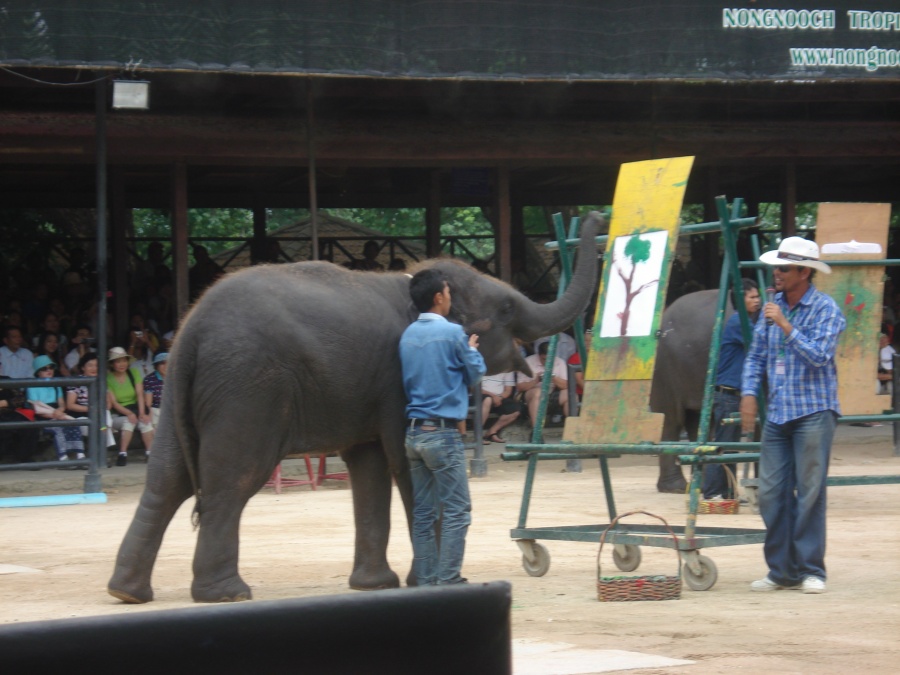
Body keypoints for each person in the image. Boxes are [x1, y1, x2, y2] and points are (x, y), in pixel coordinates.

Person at [740, 237, 846, 595]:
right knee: (770, 493)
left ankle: (811, 569)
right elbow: (755, 357)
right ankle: (781, 571)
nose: (777, 274)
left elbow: (819, 356)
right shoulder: (772, 307)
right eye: (776, 267)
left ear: (805, 272)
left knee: (810, 492)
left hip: (814, 411)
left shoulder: (826, 309)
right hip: (779, 414)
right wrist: (749, 393)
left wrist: (786, 325)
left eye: (784, 268)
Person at [399, 268, 486, 586]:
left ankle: (426, 579)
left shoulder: (407, 335)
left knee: (424, 513)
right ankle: (449, 579)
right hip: (443, 434)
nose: (450, 299)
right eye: (448, 293)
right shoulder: (453, 334)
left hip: (414, 432)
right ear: (438, 298)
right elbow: (475, 374)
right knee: (457, 509)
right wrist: (472, 350)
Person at [702, 278, 761, 500]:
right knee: (724, 446)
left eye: (758, 296)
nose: (758, 301)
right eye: (752, 297)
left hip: (733, 393)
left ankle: (726, 492)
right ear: (740, 300)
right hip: (728, 394)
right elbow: (760, 343)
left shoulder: (746, 321)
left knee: (730, 447)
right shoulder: (739, 323)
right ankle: (713, 492)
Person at [26, 355, 86, 465]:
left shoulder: (56, 384)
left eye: (51, 368)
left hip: (57, 414)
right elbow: (36, 408)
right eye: (44, 369)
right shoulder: (32, 386)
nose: (49, 370)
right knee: (58, 428)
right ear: (38, 372)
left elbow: (62, 403)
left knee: (75, 424)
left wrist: (60, 410)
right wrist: (54, 415)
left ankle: (80, 456)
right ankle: (63, 459)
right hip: (42, 418)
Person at [107, 346, 154, 466]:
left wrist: (142, 413)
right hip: (118, 414)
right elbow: (114, 403)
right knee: (129, 421)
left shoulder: (134, 373)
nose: (122, 364)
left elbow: (140, 394)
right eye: (118, 361)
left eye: (124, 360)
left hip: (136, 409)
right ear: (112, 364)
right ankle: (122, 453)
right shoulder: (108, 378)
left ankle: (150, 453)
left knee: (145, 422)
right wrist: (129, 413)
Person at [66, 351, 117, 450]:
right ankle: (102, 455)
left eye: (96, 365)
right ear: (82, 367)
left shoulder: (101, 382)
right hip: (81, 416)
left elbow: (108, 404)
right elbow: (70, 405)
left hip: (99, 416)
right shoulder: (76, 382)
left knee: (104, 418)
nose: (94, 368)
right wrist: (91, 409)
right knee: (101, 427)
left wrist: (98, 409)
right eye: (90, 365)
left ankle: (100, 453)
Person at [517, 341, 569, 426]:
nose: (547, 362)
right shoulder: (528, 362)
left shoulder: (560, 362)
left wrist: (553, 377)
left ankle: (571, 428)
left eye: (550, 359)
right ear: (539, 355)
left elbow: (566, 385)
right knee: (538, 392)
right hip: (530, 395)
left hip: (551, 393)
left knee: (570, 395)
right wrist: (536, 380)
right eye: (544, 359)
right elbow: (520, 387)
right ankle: (536, 431)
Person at [0, 374, 40, 465]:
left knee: (29, 427)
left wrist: (5, 402)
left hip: (10, 413)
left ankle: (25, 458)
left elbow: (20, 399)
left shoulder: (6, 380)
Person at [480, 371, 520, 444]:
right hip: (480, 395)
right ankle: (478, 436)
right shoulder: (480, 362)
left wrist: (499, 398)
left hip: (499, 397)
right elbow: (473, 388)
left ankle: (492, 432)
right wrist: (493, 396)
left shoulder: (507, 367)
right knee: (487, 400)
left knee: (515, 410)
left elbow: (508, 390)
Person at [143, 352, 167, 428]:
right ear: (156, 366)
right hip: (156, 410)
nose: (166, 366)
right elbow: (148, 403)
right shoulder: (149, 379)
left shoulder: (175, 378)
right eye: (162, 363)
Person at [877, 331, 895, 395]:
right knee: (876, 385)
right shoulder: (870, 352)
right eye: (881, 340)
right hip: (874, 382)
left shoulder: (889, 350)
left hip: (885, 383)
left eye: (885, 339)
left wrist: (893, 375)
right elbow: (871, 375)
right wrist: (891, 376)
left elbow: (891, 369)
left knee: (893, 386)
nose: (884, 342)